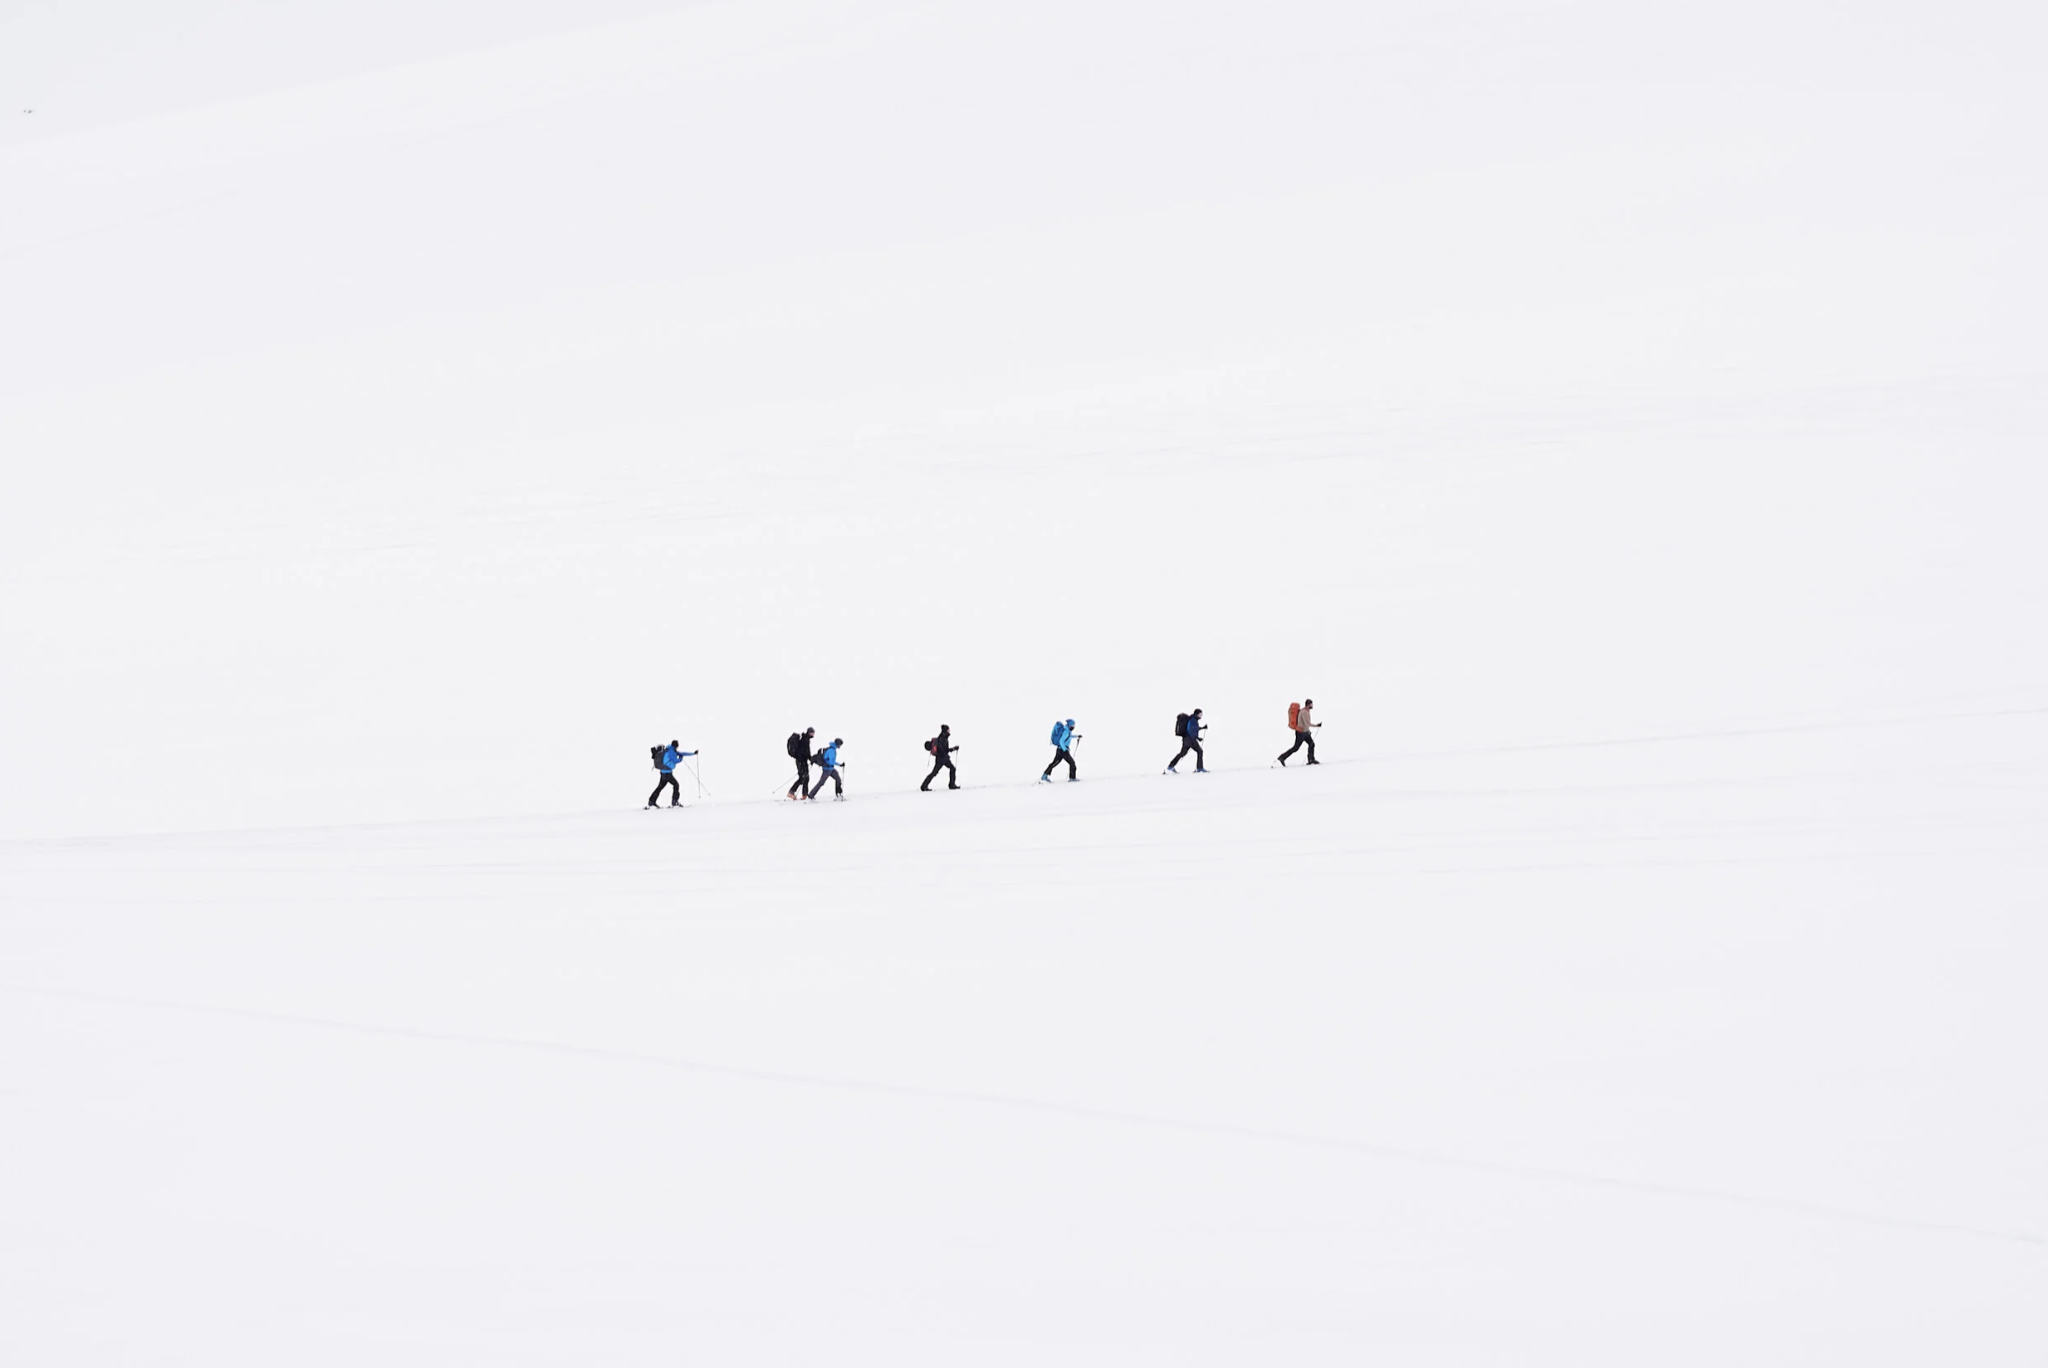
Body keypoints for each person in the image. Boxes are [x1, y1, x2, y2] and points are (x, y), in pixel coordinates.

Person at [646, 740, 697, 808]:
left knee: (660, 787)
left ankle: (651, 801)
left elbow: (682, 753)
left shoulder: (670, 749)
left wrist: (693, 753)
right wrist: (680, 758)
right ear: (676, 745)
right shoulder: (671, 751)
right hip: (667, 773)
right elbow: (675, 760)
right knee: (676, 785)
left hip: (664, 772)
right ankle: (674, 801)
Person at [1278, 698, 1321, 766]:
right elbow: (1307, 723)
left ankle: (1311, 760)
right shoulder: (1304, 712)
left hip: (1304, 732)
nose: (1312, 705)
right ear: (1308, 705)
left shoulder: (1305, 711)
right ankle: (1282, 757)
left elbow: (1304, 724)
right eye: (1311, 704)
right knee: (1296, 748)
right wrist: (1317, 725)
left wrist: (1308, 731)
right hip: (1301, 733)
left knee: (1311, 744)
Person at [1167, 708, 1207, 773]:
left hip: (1186, 739)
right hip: (1191, 740)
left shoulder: (1192, 719)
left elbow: (1194, 728)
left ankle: (1170, 766)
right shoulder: (1193, 720)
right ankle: (1200, 768)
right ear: (1197, 714)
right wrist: (1197, 738)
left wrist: (1202, 728)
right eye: (1200, 714)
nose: (1201, 715)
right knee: (1200, 751)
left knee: (1182, 753)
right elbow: (1191, 730)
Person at [921, 725, 960, 791]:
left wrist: (952, 749)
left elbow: (944, 750)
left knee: (949, 769)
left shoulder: (943, 737)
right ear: (945, 730)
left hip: (942, 758)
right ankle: (951, 785)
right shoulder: (942, 738)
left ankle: (924, 786)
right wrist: (953, 749)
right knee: (937, 772)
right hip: (942, 759)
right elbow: (944, 750)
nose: (949, 730)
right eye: (948, 729)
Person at [786, 727, 816, 800]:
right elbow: (805, 751)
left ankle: (804, 795)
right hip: (801, 761)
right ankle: (791, 792)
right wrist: (810, 758)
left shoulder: (806, 739)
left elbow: (806, 751)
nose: (813, 734)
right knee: (803, 777)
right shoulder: (804, 739)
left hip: (803, 760)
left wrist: (810, 759)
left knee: (806, 777)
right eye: (812, 732)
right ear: (809, 732)